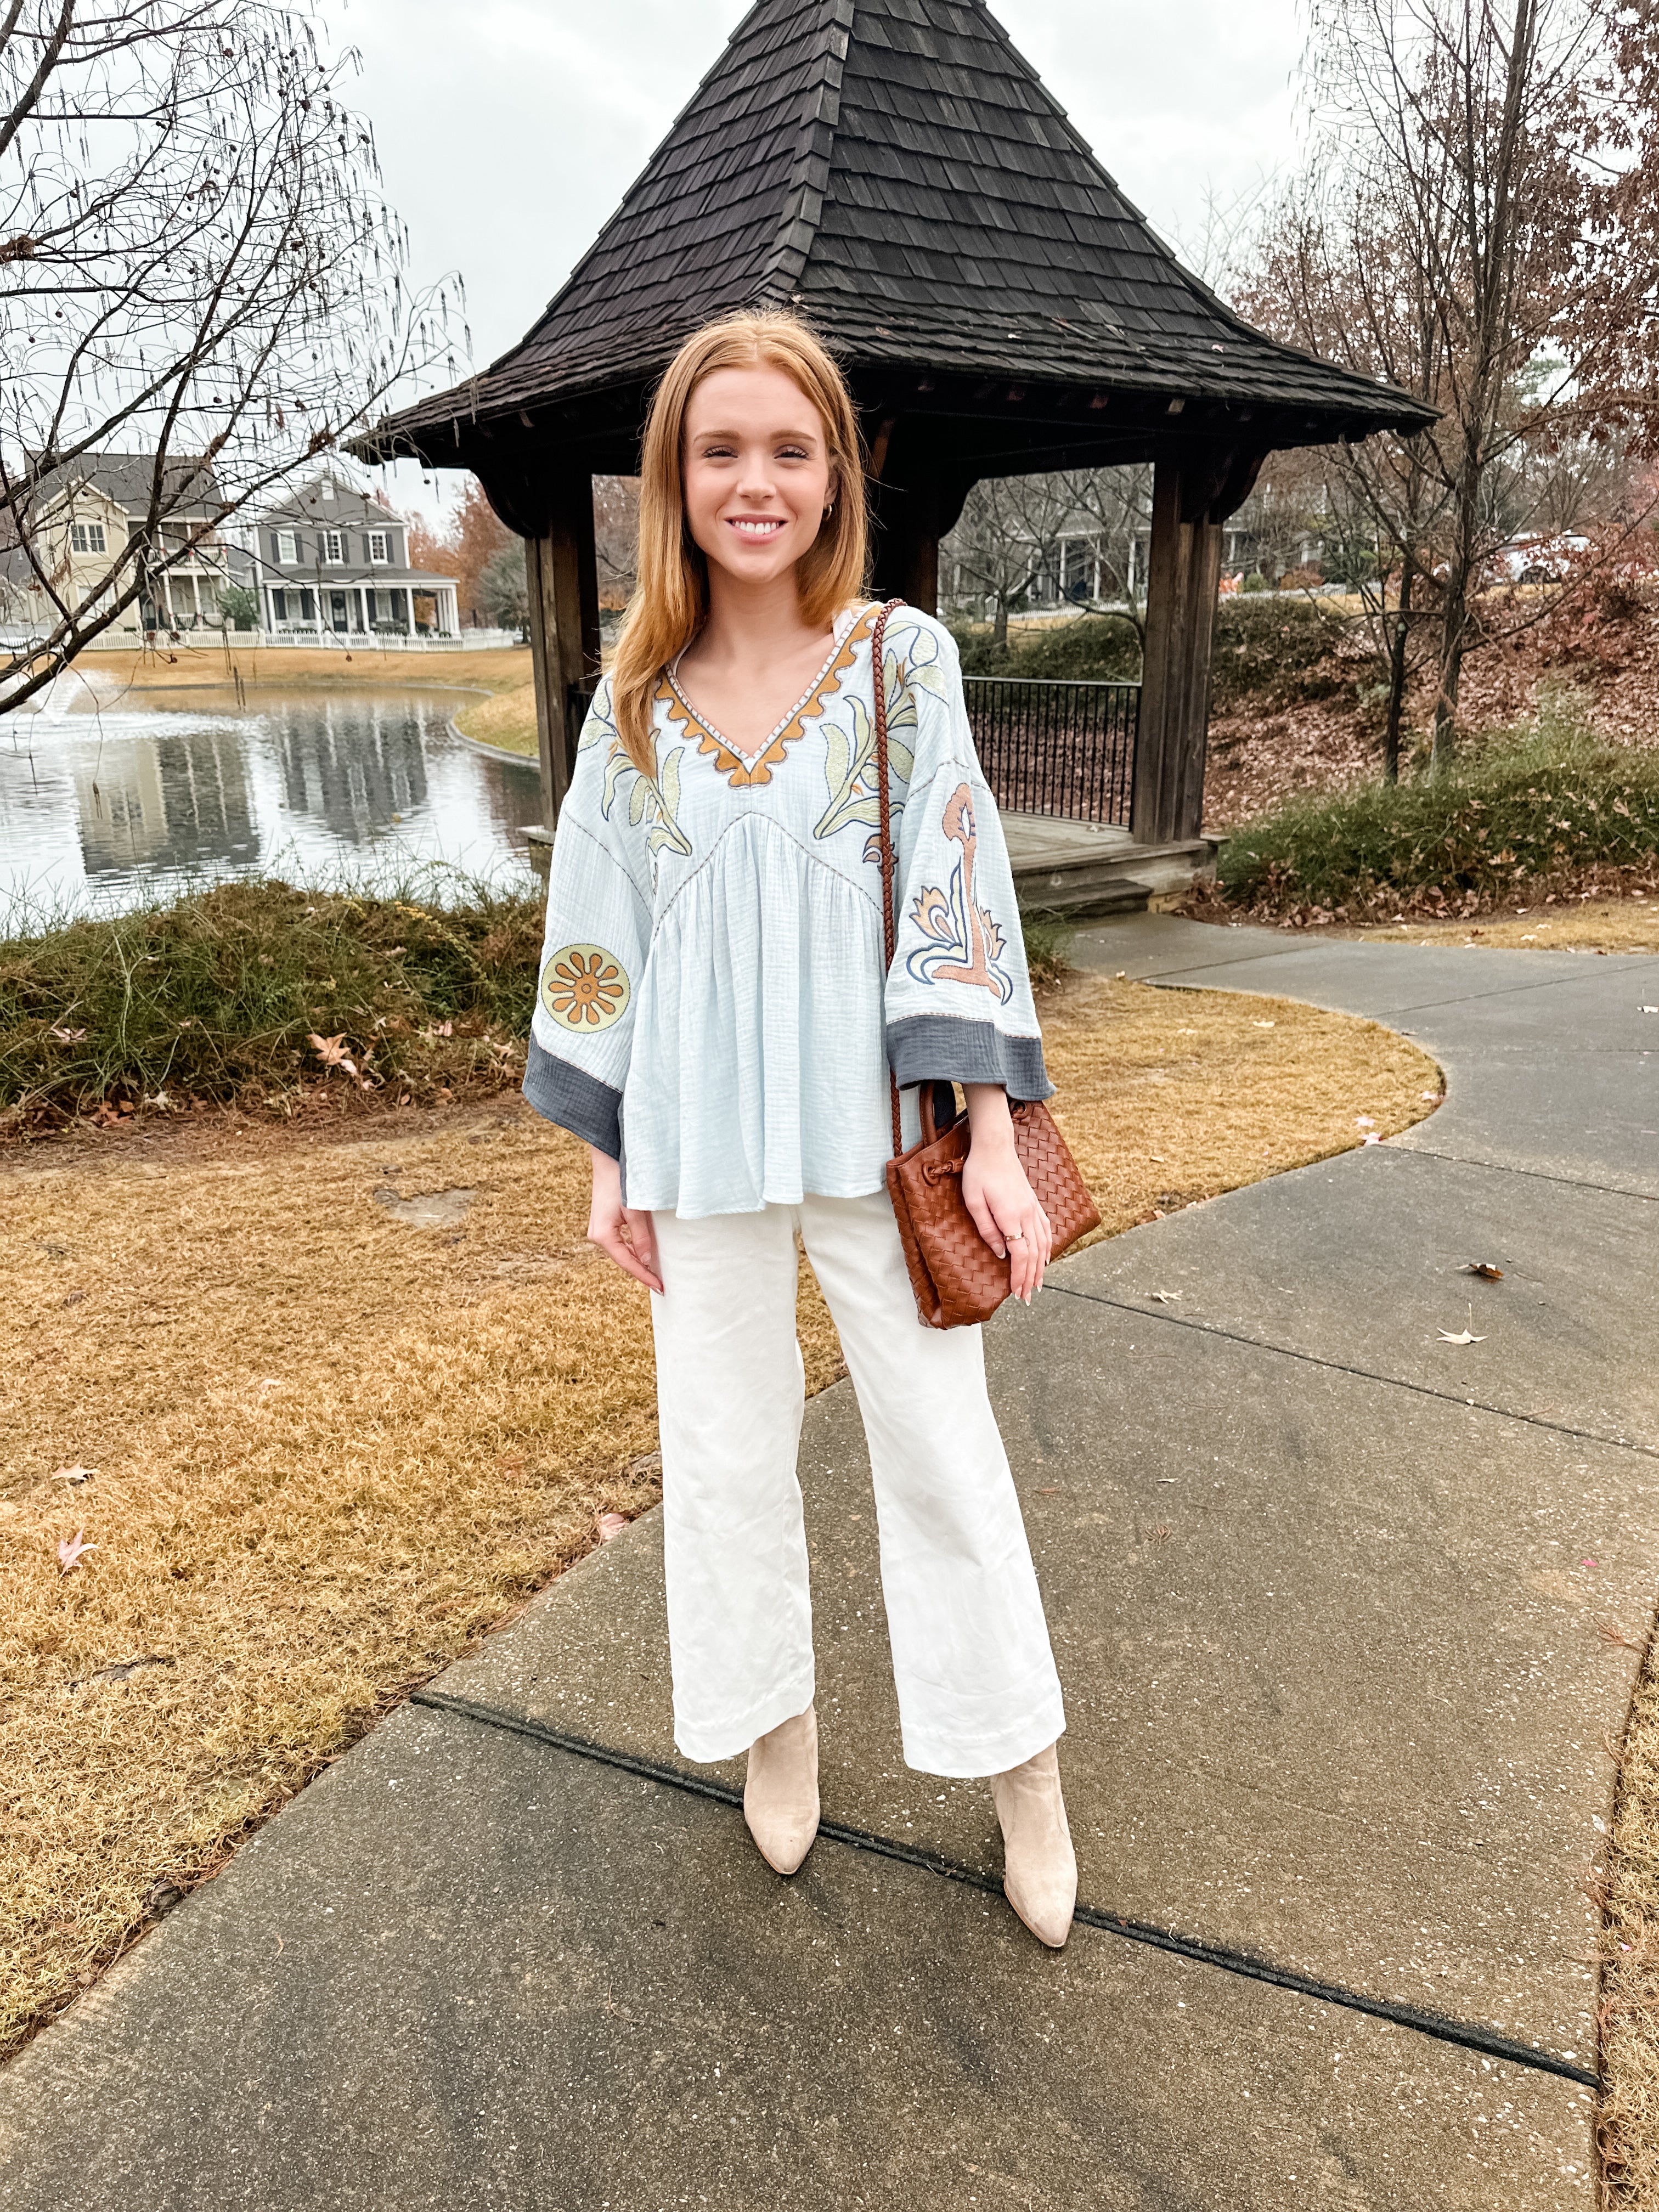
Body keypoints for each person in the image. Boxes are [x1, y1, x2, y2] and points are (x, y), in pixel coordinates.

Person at [523, 311, 1076, 1947]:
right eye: (719, 450)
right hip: (696, 1146)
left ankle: (1021, 1771)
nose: (752, 481)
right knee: (723, 1461)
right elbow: (596, 929)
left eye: (785, 448)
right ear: (674, 479)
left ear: (834, 472)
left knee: (944, 1457)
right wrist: (611, 1155)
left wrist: (988, 1130)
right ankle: (778, 1727)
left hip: (873, 1130)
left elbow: (961, 882)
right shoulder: (631, 696)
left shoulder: (903, 664)